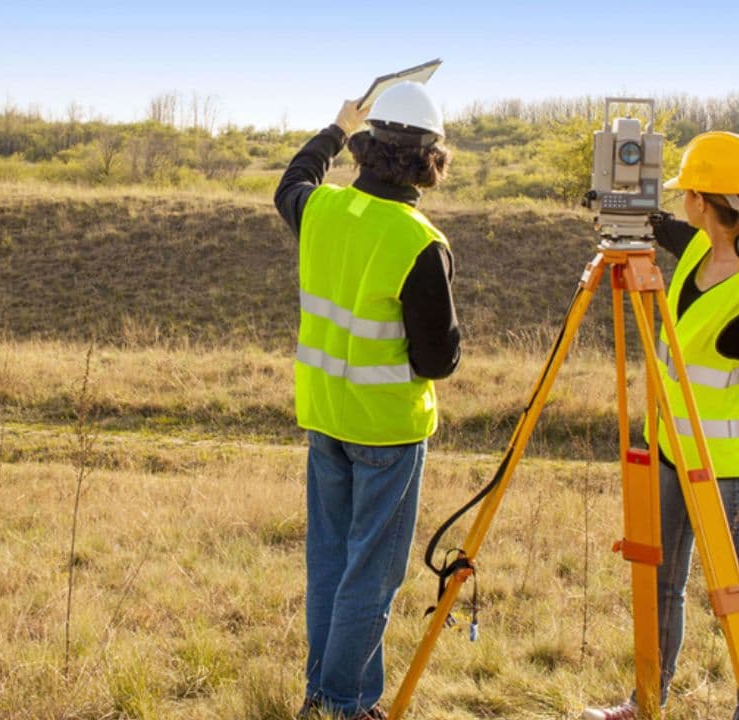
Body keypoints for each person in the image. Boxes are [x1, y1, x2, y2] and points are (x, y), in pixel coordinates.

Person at [583, 131, 739, 720]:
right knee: (661, 582)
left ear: (700, 199)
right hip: (670, 451)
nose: (680, 202)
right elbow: (661, 226)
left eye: (685, 191)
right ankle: (646, 702)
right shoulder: (694, 249)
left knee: (738, 600)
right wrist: (619, 201)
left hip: (727, 473)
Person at [273, 82, 460, 720]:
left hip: (324, 416)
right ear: (429, 160)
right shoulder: (419, 241)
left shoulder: (321, 210)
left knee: (331, 565)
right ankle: (340, 704)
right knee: (371, 577)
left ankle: (330, 696)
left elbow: (291, 181)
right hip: (386, 432)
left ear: (367, 146)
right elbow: (436, 360)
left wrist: (334, 127)